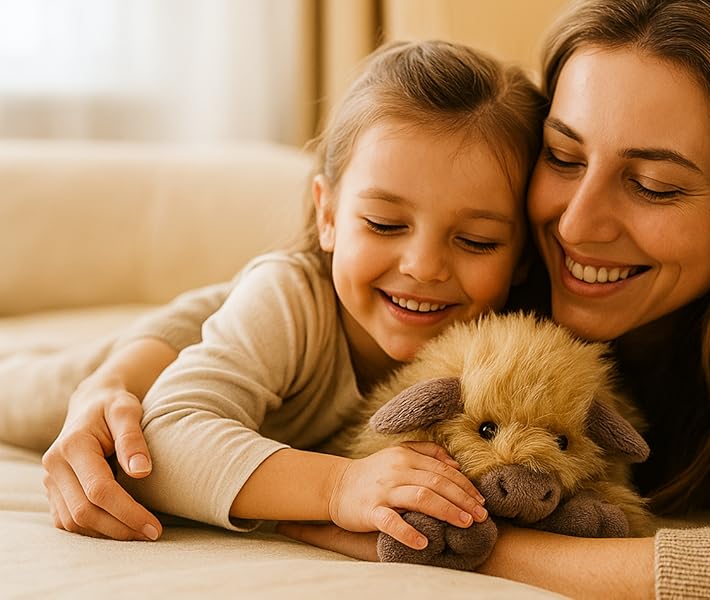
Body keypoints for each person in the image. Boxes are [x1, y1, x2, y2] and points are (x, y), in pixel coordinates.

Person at [17, 0, 710, 597]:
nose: (578, 223)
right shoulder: (514, 258)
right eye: (563, 155)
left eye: (655, 185)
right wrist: (122, 378)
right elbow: (276, 293)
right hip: (204, 383)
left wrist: (441, 537)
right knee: (41, 392)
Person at [24, 38, 547, 550]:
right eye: (385, 224)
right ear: (327, 216)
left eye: (476, 241)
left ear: (523, 252)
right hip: (146, 353)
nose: (424, 267)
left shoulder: (520, 347)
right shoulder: (291, 302)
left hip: (212, 321)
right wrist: (339, 486)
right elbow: (167, 432)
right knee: (27, 393)